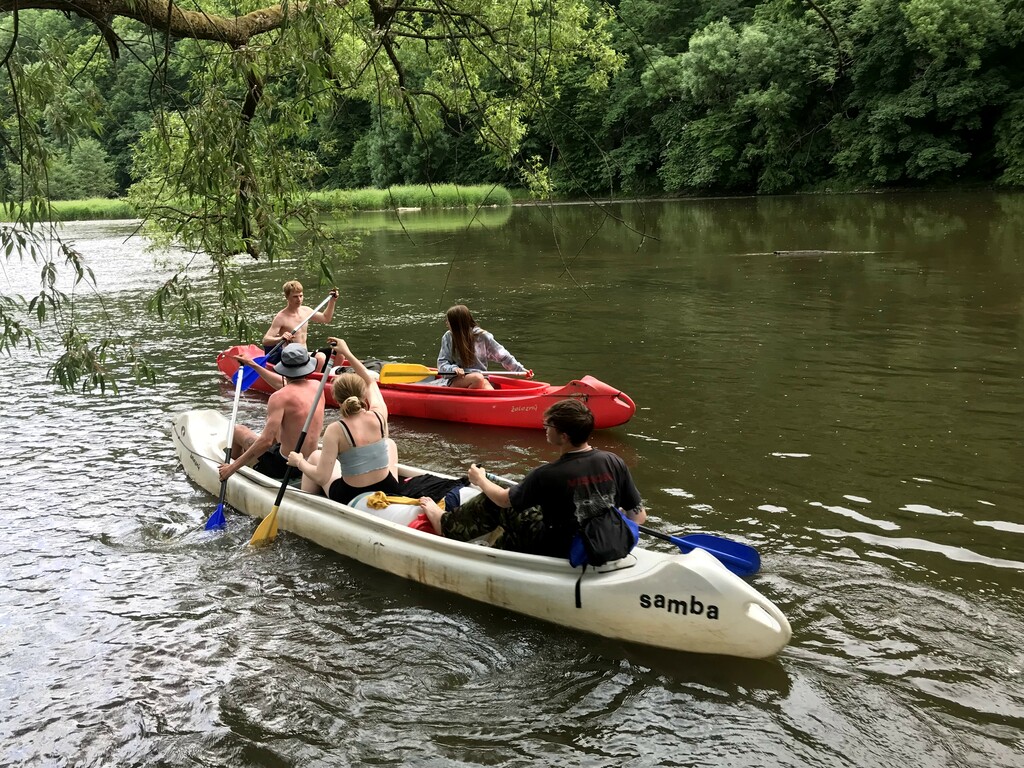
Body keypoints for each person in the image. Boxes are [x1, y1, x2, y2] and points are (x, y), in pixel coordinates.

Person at [418, 399, 646, 558]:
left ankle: (445, 525)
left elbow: (503, 500)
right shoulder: (614, 461)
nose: (545, 429)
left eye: (549, 426)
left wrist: (480, 480)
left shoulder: (548, 473)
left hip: (557, 546)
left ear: (564, 436)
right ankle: (499, 544)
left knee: (494, 499)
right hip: (597, 538)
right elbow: (638, 516)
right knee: (519, 494)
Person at [286, 338, 402, 504]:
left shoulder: (336, 429)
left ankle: (305, 505)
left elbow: (321, 476)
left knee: (315, 456)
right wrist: (347, 352)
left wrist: (299, 462)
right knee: (389, 443)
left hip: (351, 494)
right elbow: (370, 381)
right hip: (389, 487)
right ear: (363, 394)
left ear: (336, 400)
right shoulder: (379, 414)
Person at [218, 343, 327, 481]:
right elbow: (286, 385)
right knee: (278, 428)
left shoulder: (279, 397)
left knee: (237, 430)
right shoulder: (318, 386)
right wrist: (253, 365)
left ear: (283, 368)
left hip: (286, 465)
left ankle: (234, 469)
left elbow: (266, 441)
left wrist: (231, 469)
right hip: (311, 461)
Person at [436, 304, 531, 390]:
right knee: (477, 379)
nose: (446, 324)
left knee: (490, 391)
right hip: (458, 379)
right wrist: (453, 369)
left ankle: (471, 400)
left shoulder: (482, 336)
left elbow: (503, 356)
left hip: (481, 377)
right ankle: (464, 399)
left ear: (456, 324)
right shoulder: (448, 337)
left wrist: (520, 370)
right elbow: (442, 364)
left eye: (448, 321)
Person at [262, 281, 339, 366]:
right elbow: (265, 341)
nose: (299, 299)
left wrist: (332, 301)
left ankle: (332, 373)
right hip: (291, 357)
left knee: (339, 351)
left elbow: (326, 318)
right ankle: (314, 374)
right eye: (295, 296)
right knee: (320, 357)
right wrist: (280, 338)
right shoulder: (281, 317)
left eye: (301, 296)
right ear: (287, 297)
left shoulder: (306, 311)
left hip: (305, 354)